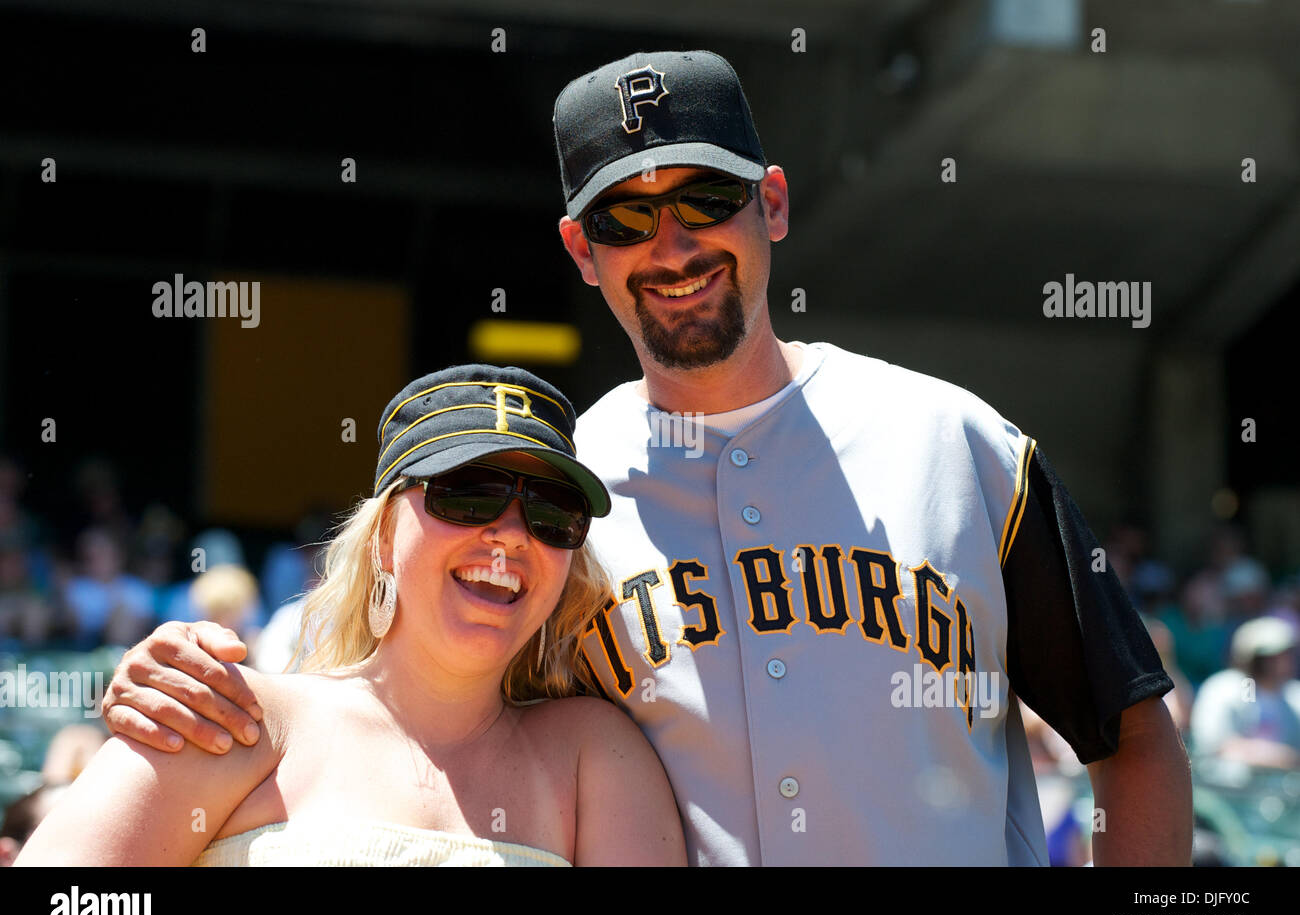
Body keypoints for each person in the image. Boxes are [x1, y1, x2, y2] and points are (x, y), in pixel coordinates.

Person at [99, 51, 1189, 866]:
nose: (670, 246)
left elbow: (1131, 734)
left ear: (770, 201)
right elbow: (417, 707)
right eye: (624, 215)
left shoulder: (960, 444)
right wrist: (181, 677)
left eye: (703, 200)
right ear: (581, 251)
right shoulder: (547, 495)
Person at [17, 366, 685, 866]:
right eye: (469, 495)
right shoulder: (229, 714)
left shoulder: (593, 755)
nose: (510, 535)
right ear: (383, 539)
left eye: (550, 512)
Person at [1189, 616, 1300, 768]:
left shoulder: (1293, 694)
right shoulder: (1225, 688)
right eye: (1270, 656)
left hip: (1283, 787)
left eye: (1286, 654)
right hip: (1228, 787)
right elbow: (1212, 745)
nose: (1281, 661)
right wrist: (1273, 756)